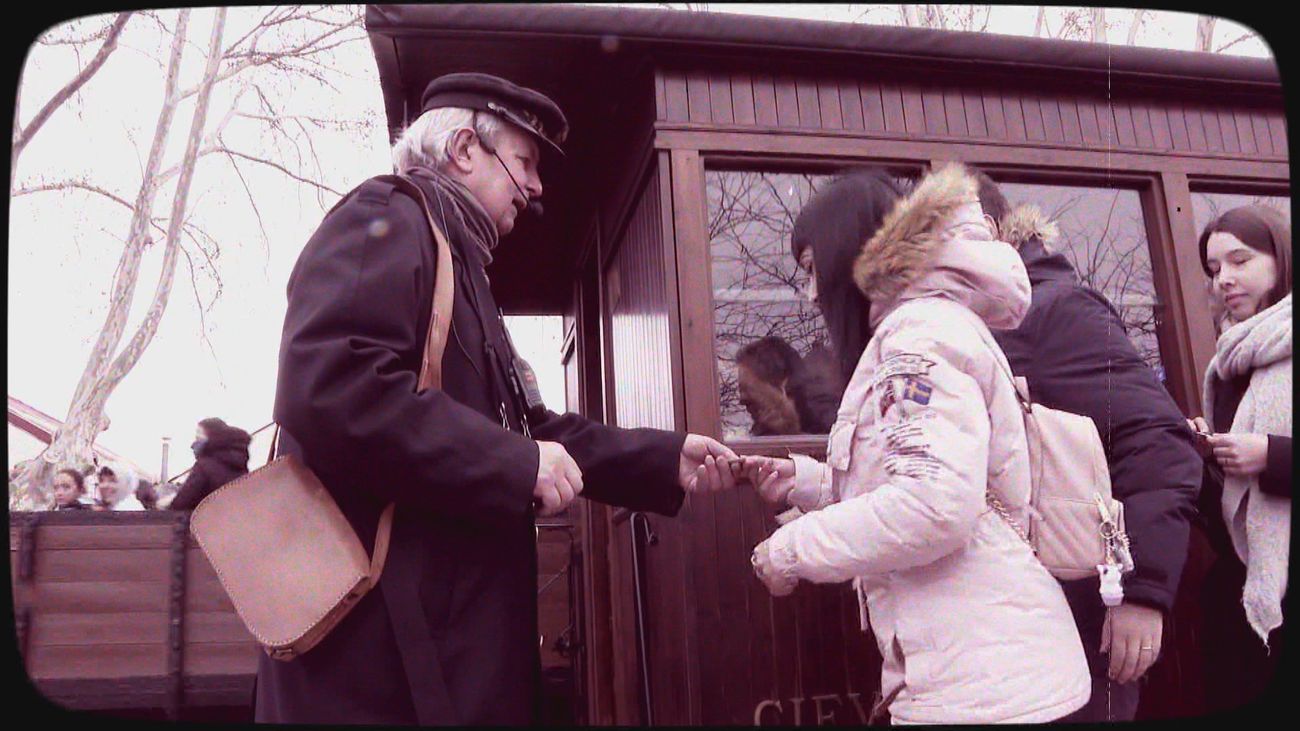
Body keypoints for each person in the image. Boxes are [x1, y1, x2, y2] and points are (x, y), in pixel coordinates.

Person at [257, 72, 740, 725]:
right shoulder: (387, 217)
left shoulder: (459, 265)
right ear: (462, 149)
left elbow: (527, 428)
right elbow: (331, 385)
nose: (537, 187)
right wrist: (517, 464)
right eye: (524, 161)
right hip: (379, 670)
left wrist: (662, 456)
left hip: (435, 657)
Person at [744, 165, 1090, 723]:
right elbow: (925, 481)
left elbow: (933, 509)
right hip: (993, 675)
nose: (810, 295)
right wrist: (809, 483)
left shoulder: (917, 336)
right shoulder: (921, 328)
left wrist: (791, 550)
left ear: (845, 253)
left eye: (812, 271)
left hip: (989, 695)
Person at [968, 171, 1202, 721]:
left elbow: (1157, 441)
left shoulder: (1053, 311)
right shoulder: (964, 326)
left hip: (1074, 620)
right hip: (1007, 622)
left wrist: (1143, 590)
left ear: (988, 230)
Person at [1190, 205, 1291, 714]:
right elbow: (1234, 503)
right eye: (1214, 269)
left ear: (1280, 260)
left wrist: (1271, 454)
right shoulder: (1227, 364)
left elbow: (1265, 464)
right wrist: (1208, 456)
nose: (1225, 279)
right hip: (1245, 590)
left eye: (1240, 260)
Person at [169, 417, 252, 511]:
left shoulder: (204, 466)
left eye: (198, 438)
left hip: (205, 523)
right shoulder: (240, 465)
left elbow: (180, 503)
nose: (193, 444)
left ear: (213, 438)